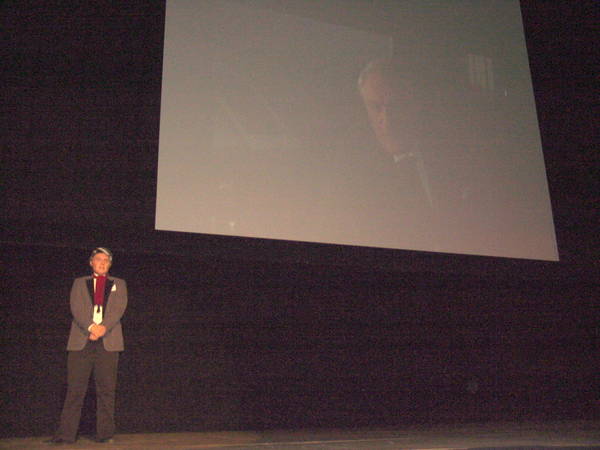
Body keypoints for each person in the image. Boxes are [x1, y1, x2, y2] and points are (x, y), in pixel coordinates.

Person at [46, 247, 127, 445]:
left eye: (106, 260)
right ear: (91, 262)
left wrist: (103, 328)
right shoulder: (79, 283)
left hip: (108, 341)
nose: (102, 263)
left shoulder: (119, 283)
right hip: (81, 340)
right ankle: (66, 434)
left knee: (106, 390)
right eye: (99, 259)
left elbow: (118, 308)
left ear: (110, 264)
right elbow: (76, 307)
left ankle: (105, 434)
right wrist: (90, 327)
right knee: (75, 390)